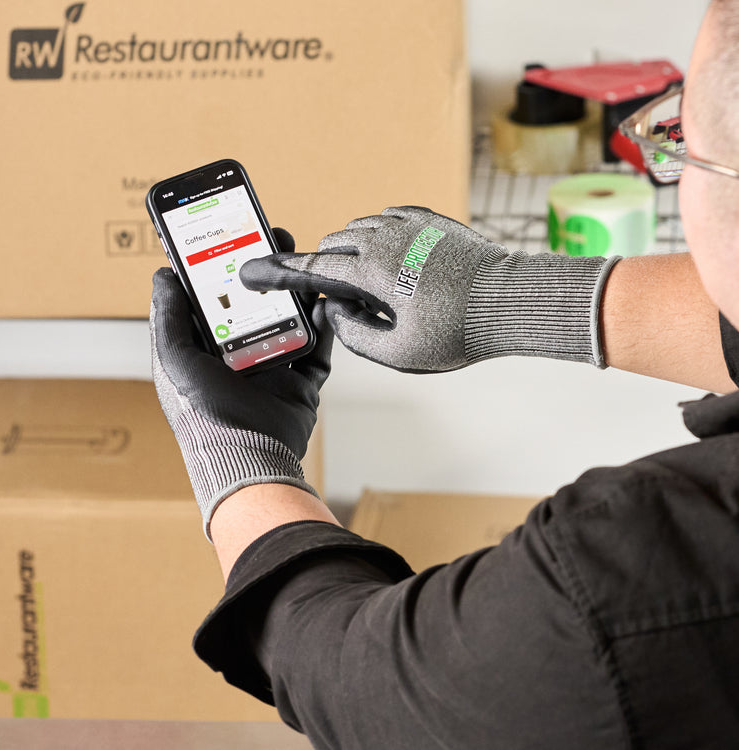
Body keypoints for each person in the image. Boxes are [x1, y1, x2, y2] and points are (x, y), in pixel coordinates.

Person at [149, 1, 739, 747]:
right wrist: (501, 296)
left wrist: (238, 460)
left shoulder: (634, 579)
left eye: (682, 140)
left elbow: (356, 678)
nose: (675, 166)